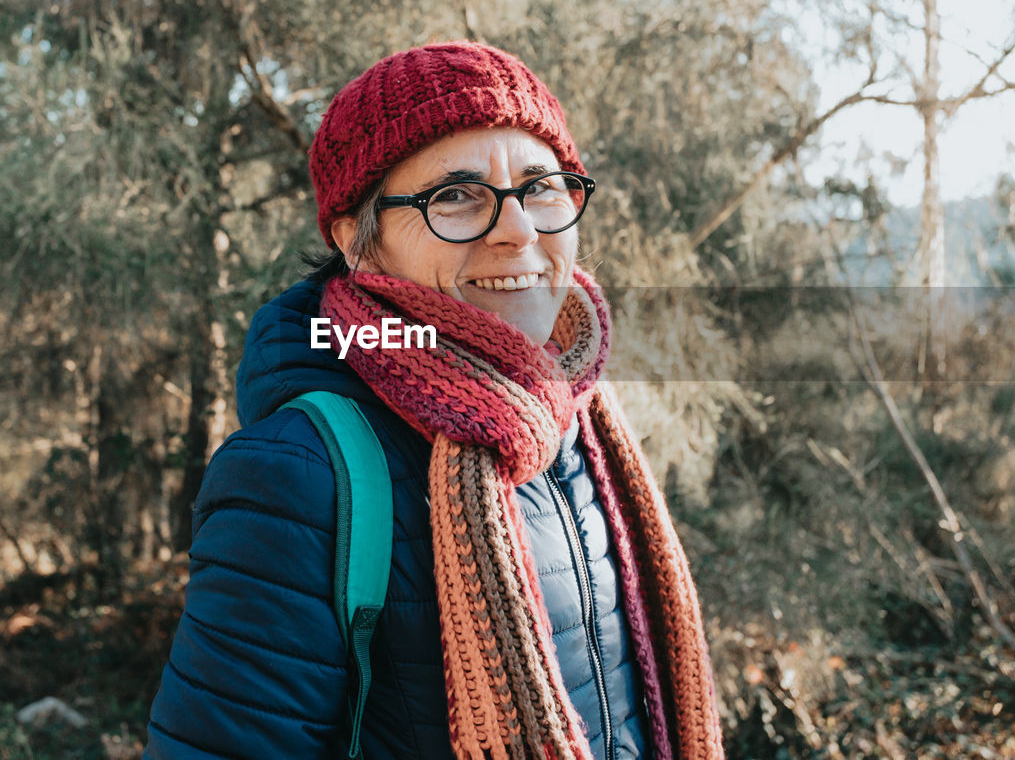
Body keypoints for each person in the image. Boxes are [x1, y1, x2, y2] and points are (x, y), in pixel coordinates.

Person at [145, 42, 724, 759]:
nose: (518, 229)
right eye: (455, 195)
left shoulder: (584, 423)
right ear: (357, 240)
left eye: (541, 186)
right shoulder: (296, 475)